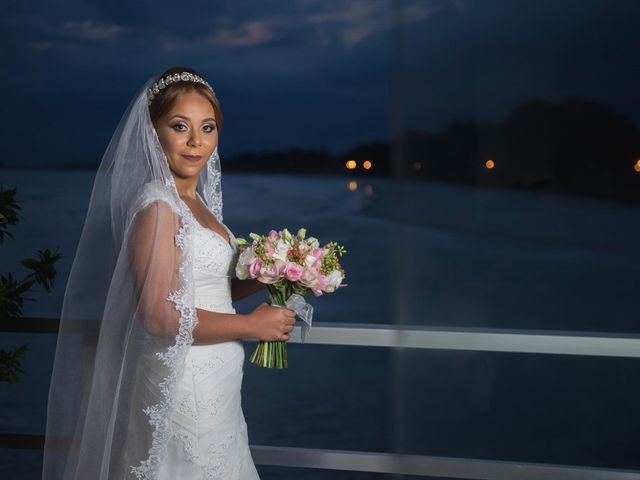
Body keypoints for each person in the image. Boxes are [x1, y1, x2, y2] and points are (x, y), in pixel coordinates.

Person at [42, 66, 296, 479]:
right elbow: (160, 316)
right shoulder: (158, 206)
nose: (197, 141)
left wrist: (265, 278)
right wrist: (251, 325)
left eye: (208, 127)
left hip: (218, 380)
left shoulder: (196, 205)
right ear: (153, 132)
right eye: (181, 126)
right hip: (185, 383)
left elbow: (200, 293)